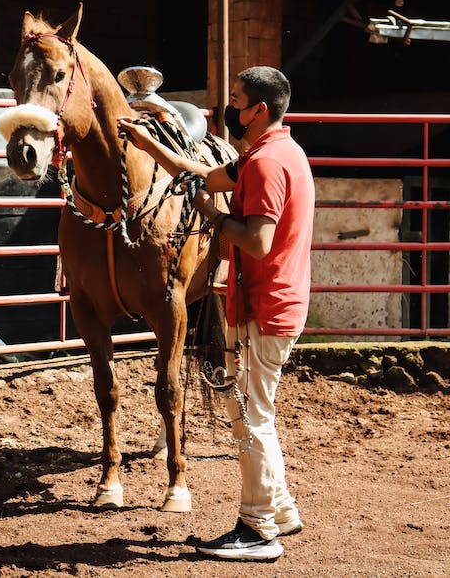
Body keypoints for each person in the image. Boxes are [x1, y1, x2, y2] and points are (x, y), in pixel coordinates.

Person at [117, 65, 314, 562]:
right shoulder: (275, 152)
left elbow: (258, 240)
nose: (230, 108)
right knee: (255, 413)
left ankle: (256, 529)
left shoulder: (266, 165)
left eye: (236, 100)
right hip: (272, 303)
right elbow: (204, 175)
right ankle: (281, 508)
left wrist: (212, 215)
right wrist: (148, 145)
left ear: (259, 110)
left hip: (265, 306)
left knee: (250, 419)